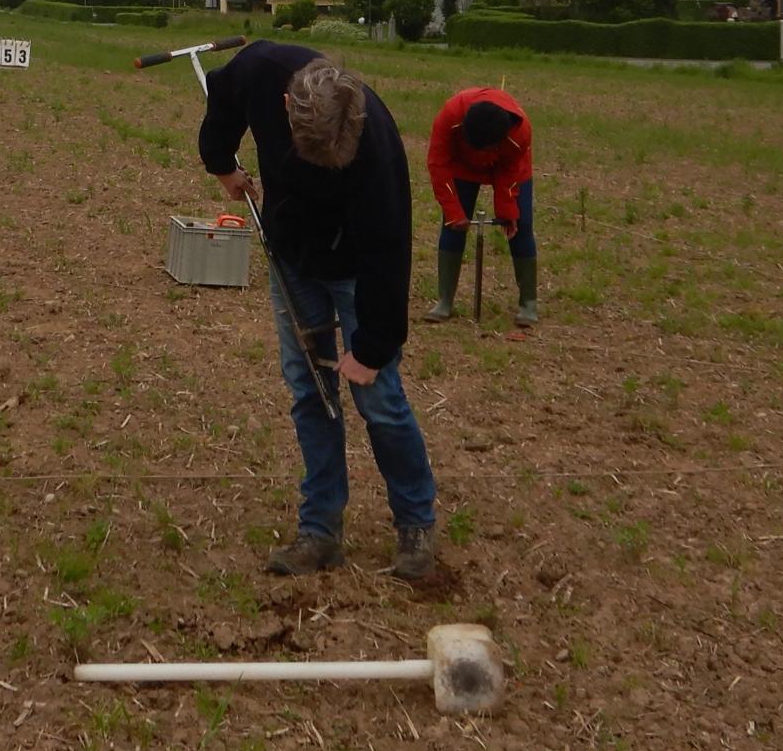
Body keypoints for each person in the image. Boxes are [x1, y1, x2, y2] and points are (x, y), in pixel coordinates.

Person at [198, 43, 438, 580]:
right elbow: (223, 90)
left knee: (378, 398)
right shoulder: (260, 70)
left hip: (354, 267)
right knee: (311, 392)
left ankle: (416, 524)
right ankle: (321, 531)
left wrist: (372, 346)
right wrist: (220, 161)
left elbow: (387, 251)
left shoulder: (374, 144)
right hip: (294, 258)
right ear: (286, 105)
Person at [425, 87, 537, 326]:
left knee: (522, 223)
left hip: (508, 166)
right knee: (452, 224)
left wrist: (507, 210)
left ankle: (528, 303)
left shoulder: (520, 132)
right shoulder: (449, 116)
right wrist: (455, 213)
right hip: (461, 167)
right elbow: (438, 165)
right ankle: (445, 300)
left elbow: (510, 172)